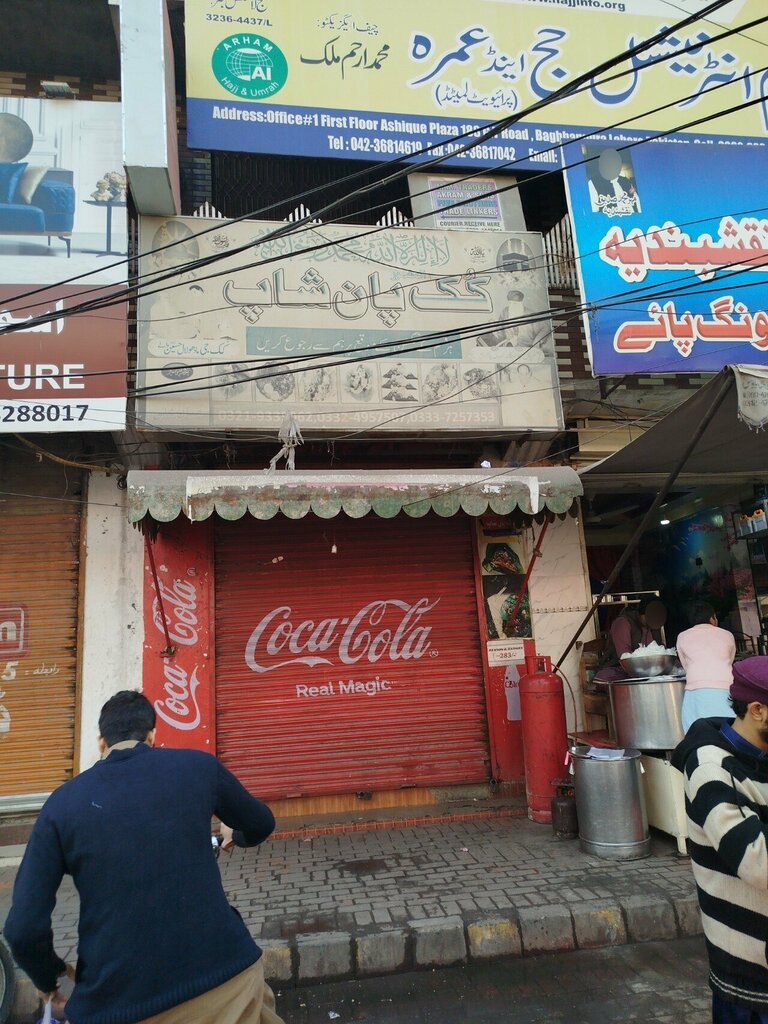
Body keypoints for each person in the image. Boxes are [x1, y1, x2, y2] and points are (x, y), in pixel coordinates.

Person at [3, 690, 284, 1024]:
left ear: (100, 742)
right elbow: (261, 822)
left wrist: (49, 981)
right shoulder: (198, 766)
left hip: (117, 1005)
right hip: (229, 982)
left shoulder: (61, 806)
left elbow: (21, 929)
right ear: (152, 735)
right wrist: (235, 835)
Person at [672, 657, 768, 1023]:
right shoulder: (710, 769)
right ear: (757, 710)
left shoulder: (760, 757)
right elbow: (758, 862)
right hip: (748, 976)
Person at [677, 601, 736, 731]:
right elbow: (730, 660)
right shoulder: (727, 635)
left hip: (695, 690)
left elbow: (685, 664)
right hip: (726, 688)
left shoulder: (682, 636)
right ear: (712, 618)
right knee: (730, 732)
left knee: (697, 733)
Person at [594, 598, 663, 682]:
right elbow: (625, 656)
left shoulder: (649, 627)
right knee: (604, 677)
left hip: (644, 671)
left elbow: (655, 650)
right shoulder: (622, 623)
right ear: (642, 613)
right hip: (618, 670)